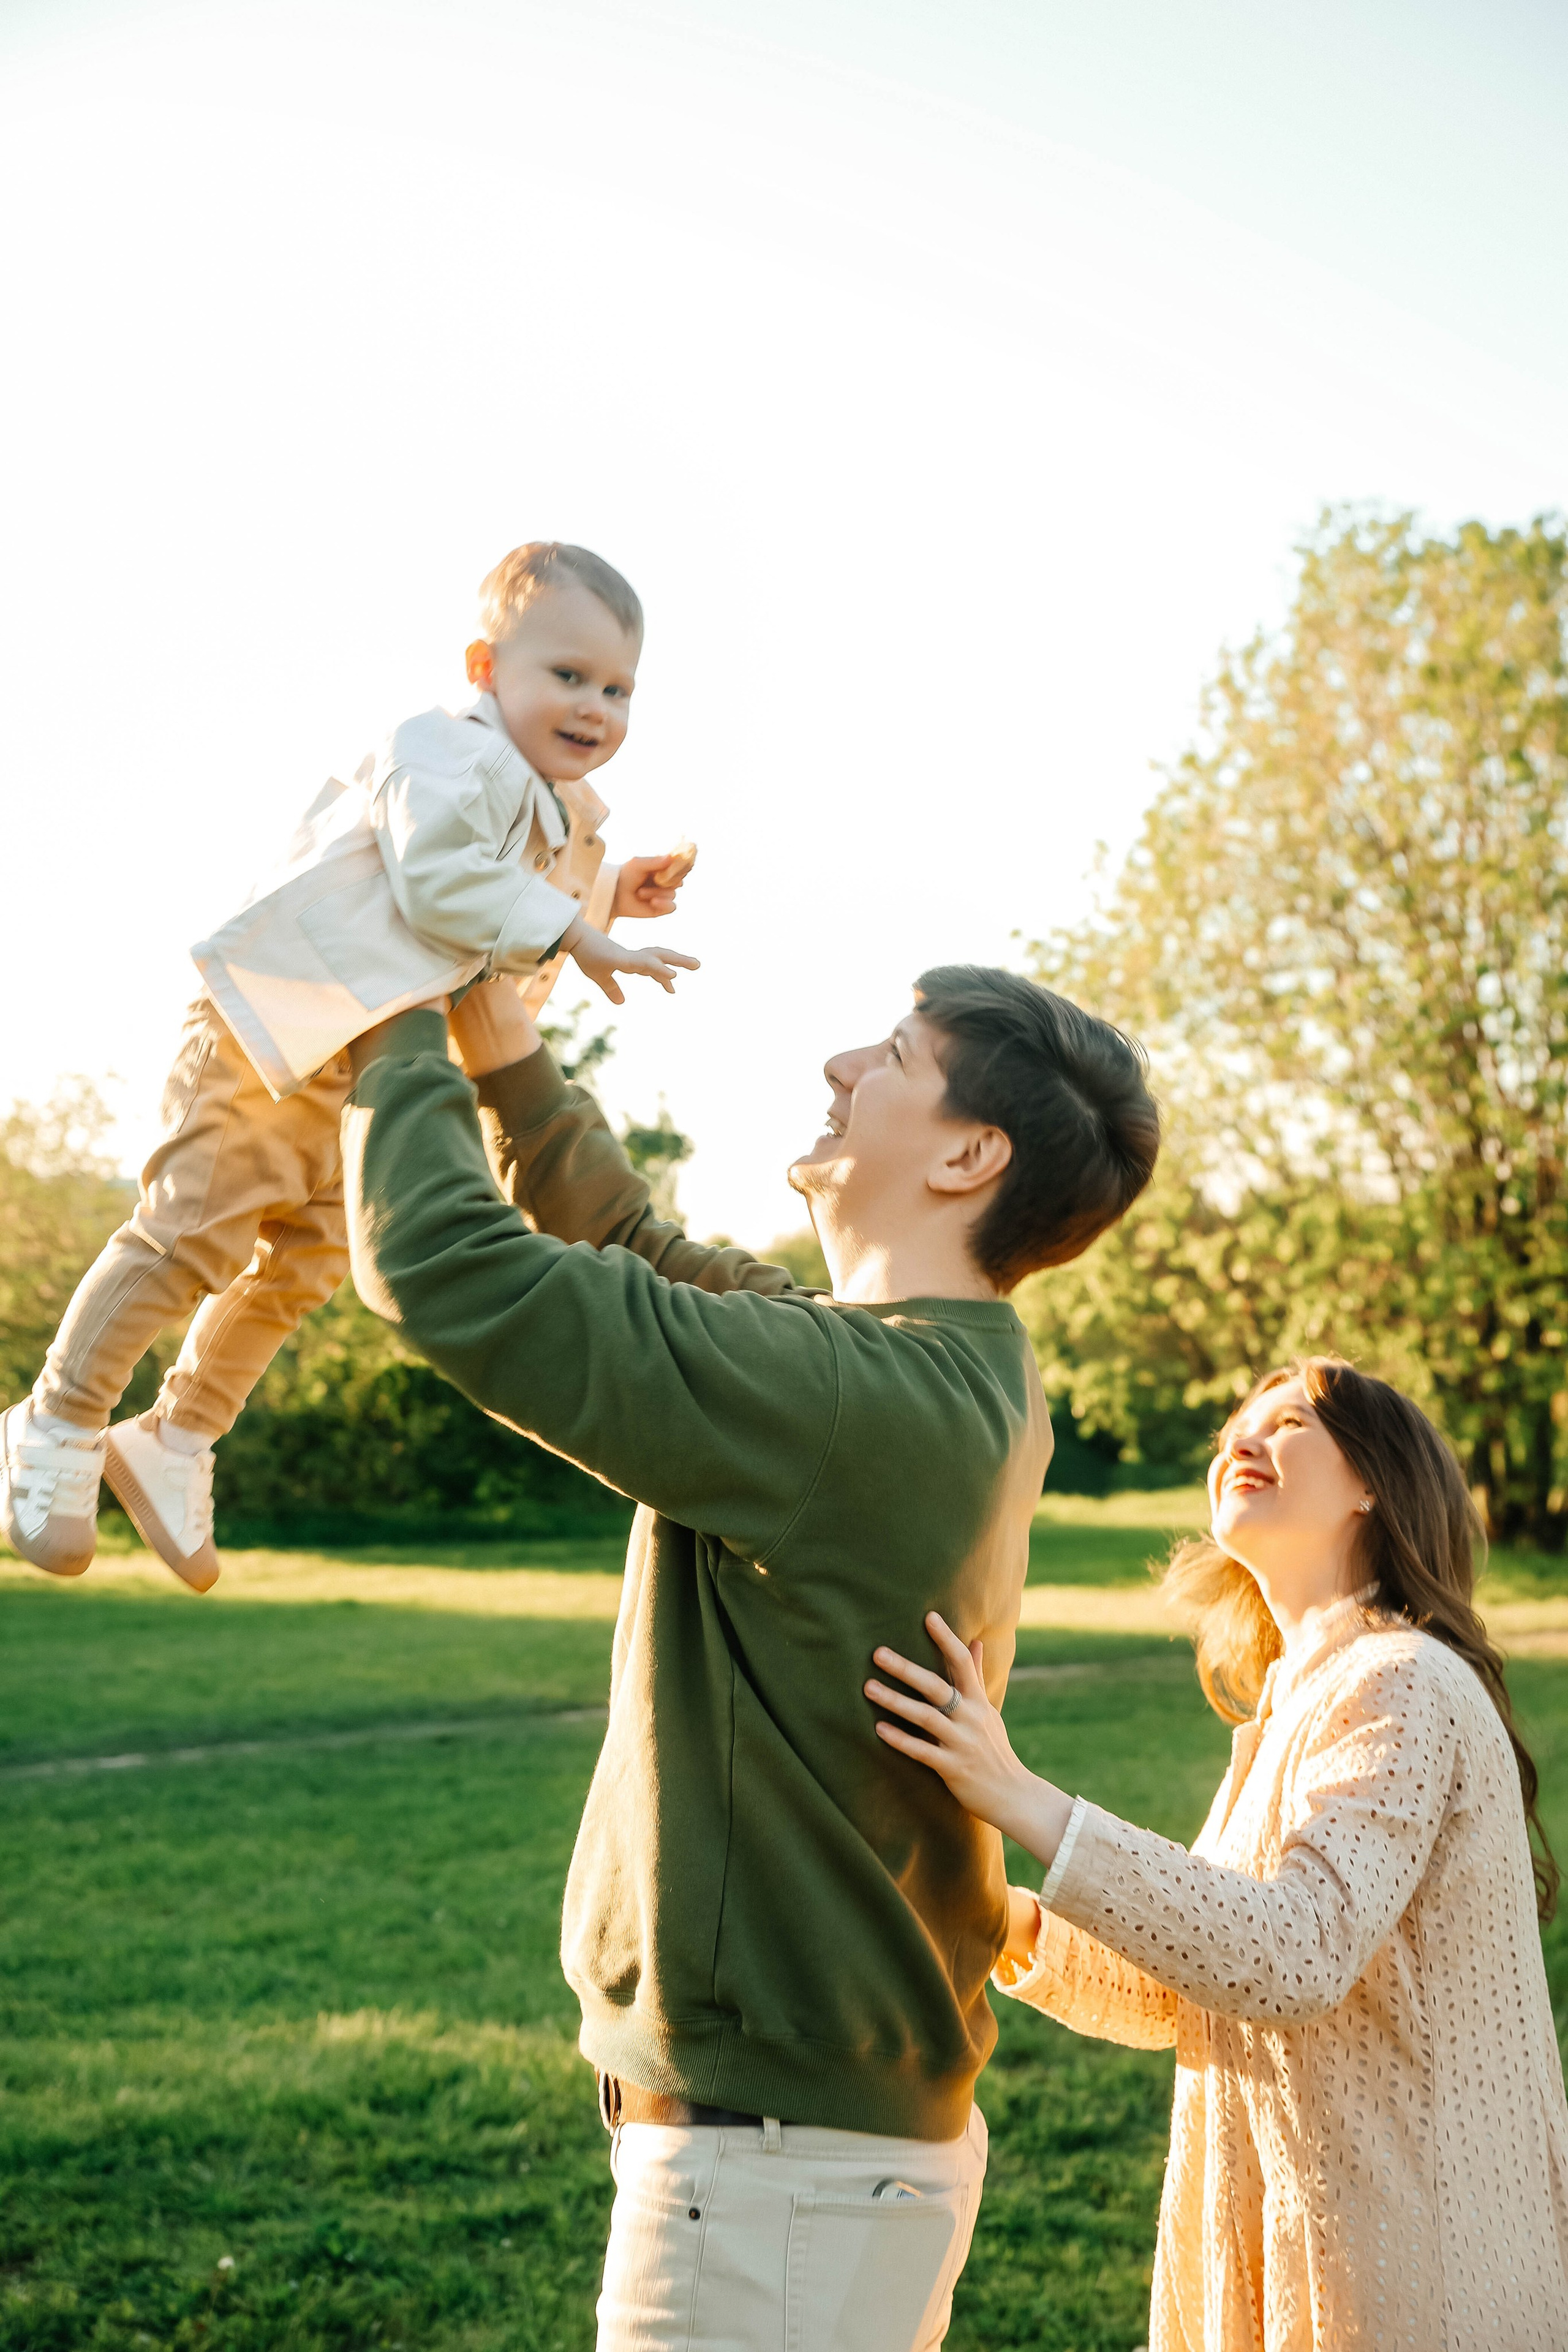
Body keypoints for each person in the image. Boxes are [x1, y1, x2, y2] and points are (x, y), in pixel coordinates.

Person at [340, 962, 1159, 2352]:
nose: (842, 1067)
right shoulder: (953, 1368)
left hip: (779, 2181)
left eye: (892, 1055)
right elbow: (640, 1248)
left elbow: (442, 1269)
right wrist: (500, 1037)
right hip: (813, 2163)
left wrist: (390, 1000)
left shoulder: (846, 1396)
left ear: (969, 1156)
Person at [0, 540, 695, 1592]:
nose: (595, 706)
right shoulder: (444, 747)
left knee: (312, 1258)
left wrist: (604, 897)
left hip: (360, 1055)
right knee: (192, 1231)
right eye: (568, 674)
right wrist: (576, 929)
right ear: (484, 667)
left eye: (617, 689)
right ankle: (58, 1417)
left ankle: (179, 1433)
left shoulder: (545, 800)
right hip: (271, 1022)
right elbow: (439, 876)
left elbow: (495, 900)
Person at [867, 1356, 1568, 2352]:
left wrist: (1020, 1794)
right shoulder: (1299, 1704)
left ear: (1373, 1481)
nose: (1242, 1438)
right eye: (1235, 1426)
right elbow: (1190, 1985)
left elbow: (1298, 1952)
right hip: (1302, 2250)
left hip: (1418, 2278)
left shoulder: (1402, 1680)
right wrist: (1003, 1922)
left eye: (1289, 1422)